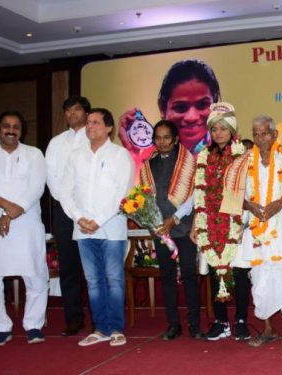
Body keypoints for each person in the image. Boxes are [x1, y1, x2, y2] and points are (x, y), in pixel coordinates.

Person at [219, 115, 282, 348]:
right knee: (259, 279)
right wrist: (249, 205)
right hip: (255, 228)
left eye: (265, 133)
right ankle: (266, 329)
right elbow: (232, 195)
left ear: (275, 135)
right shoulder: (242, 163)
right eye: (255, 134)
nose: (260, 138)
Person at [0, 110, 48, 346]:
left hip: (26, 222)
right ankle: (0, 327)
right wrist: (6, 208)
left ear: (22, 131)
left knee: (35, 274)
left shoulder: (34, 154)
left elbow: (36, 188)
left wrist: (12, 212)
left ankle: (33, 325)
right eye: (6, 126)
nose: (11, 130)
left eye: (16, 127)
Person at [58, 108, 134, 347]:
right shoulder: (75, 156)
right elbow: (64, 191)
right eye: (88, 122)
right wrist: (79, 218)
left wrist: (98, 220)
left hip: (111, 227)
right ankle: (99, 328)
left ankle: (116, 328)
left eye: (96, 122)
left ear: (109, 128)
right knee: (93, 280)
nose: (90, 126)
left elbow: (123, 193)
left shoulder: (120, 155)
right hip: (82, 228)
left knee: (113, 278)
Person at [190, 102, 252, 342]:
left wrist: (242, 223)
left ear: (232, 131)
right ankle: (221, 322)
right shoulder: (203, 157)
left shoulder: (242, 156)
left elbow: (247, 192)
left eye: (223, 129)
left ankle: (241, 321)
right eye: (214, 129)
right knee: (216, 272)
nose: (218, 133)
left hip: (235, 222)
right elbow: (200, 193)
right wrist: (198, 223)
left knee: (238, 271)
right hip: (210, 222)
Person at [140, 120, 200, 341]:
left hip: (183, 228)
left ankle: (194, 324)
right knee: (166, 277)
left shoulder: (188, 162)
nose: (162, 142)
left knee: (189, 275)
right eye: (158, 138)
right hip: (161, 230)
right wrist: (152, 219)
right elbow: (146, 196)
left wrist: (174, 218)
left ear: (175, 139)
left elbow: (194, 195)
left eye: (166, 137)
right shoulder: (149, 164)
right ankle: (173, 324)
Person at [45, 96, 91, 337]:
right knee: (69, 266)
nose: (72, 114)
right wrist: (67, 203)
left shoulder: (95, 137)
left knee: (93, 266)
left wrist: (83, 205)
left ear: (86, 112)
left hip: (91, 209)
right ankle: (74, 318)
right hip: (64, 210)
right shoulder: (56, 142)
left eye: (77, 110)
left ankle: (98, 316)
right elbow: (51, 175)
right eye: (68, 110)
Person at [119, 60, 221, 167]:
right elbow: (135, 183)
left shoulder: (230, 154)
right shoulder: (146, 157)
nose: (192, 117)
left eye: (202, 105)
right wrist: (132, 154)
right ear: (162, 108)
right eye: (181, 107)